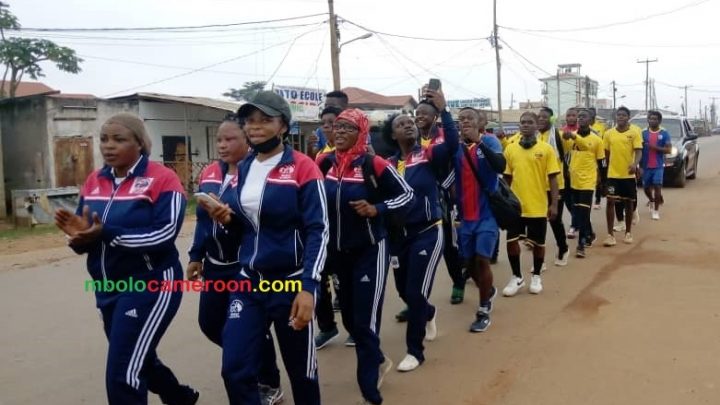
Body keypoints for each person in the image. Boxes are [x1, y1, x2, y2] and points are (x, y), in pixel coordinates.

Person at [54, 113, 198, 405]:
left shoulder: (162, 179)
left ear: (140, 144)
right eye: (104, 139)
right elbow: (87, 233)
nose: (109, 146)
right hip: (107, 289)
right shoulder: (95, 180)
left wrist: (106, 233)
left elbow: (164, 235)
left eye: (119, 139)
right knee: (137, 357)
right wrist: (79, 239)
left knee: (123, 371)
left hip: (152, 284)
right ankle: (178, 396)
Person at [203, 91, 328, 405]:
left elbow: (319, 229)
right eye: (250, 120)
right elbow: (245, 228)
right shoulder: (244, 168)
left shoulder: (302, 168)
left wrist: (309, 288)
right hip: (249, 282)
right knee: (235, 369)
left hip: (290, 282)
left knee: (302, 373)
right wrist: (226, 220)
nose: (255, 127)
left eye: (265, 120)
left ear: (283, 125)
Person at [319, 108, 414, 404]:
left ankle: (370, 390)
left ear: (361, 133)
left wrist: (378, 209)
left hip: (370, 250)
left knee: (364, 321)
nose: (340, 133)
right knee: (348, 318)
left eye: (348, 128)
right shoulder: (324, 163)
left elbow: (407, 194)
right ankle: (379, 358)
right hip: (337, 253)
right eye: (337, 128)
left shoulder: (375, 164)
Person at [187, 114, 284, 404]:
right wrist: (196, 256)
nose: (222, 145)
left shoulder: (255, 173)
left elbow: (263, 224)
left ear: (247, 141)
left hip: (245, 268)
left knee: (241, 329)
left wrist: (232, 219)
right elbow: (203, 222)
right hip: (215, 267)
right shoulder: (210, 174)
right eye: (219, 139)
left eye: (230, 139)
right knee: (210, 324)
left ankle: (268, 382)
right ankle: (253, 352)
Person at [382, 87, 458, 372]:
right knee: (404, 290)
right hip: (398, 237)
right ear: (393, 135)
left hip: (428, 230)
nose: (408, 125)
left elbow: (451, 145)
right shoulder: (388, 165)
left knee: (414, 291)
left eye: (411, 123)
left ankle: (415, 351)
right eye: (401, 124)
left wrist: (445, 112)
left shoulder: (428, 155)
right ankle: (428, 312)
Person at [453, 107, 505, 332]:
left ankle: (483, 309)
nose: (465, 122)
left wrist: (479, 141)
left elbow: (500, 166)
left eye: (469, 118)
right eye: (461, 119)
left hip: (487, 215)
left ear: (479, 122)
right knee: (468, 264)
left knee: (483, 261)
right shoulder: (455, 148)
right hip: (465, 217)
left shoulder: (490, 142)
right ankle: (488, 288)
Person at [412, 98, 466, 306]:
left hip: (443, 201)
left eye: (425, 113)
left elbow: (455, 161)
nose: (420, 116)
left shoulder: (444, 137)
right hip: (417, 203)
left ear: (435, 117)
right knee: (415, 251)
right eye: (417, 113)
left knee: (449, 248)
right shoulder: (412, 139)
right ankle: (414, 298)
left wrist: (445, 190)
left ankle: (458, 283)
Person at [503, 112, 560, 296]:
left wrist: (554, 204)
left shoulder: (546, 149)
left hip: (537, 205)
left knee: (538, 244)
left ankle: (536, 276)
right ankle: (517, 277)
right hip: (515, 207)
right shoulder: (510, 149)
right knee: (512, 242)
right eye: (523, 122)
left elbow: (553, 179)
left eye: (530, 122)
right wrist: (504, 201)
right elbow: (507, 178)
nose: (525, 125)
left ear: (537, 126)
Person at [312, 105, 349, 350]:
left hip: (346, 233)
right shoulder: (320, 157)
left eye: (332, 122)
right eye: (324, 123)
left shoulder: (356, 154)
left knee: (343, 285)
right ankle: (327, 327)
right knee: (317, 283)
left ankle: (355, 329)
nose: (327, 127)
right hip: (321, 231)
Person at [562, 109, 606, 258]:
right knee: (580, 213)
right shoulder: (569, 137)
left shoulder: (596, 140)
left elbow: (602, 163)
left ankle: (581, 245)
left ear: (591, 119)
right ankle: (590, 233)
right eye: (579, 116)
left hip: (588, 181)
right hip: (573, 180)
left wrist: (603, 183)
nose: (580, 119)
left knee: (583, 212)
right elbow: (566, 156)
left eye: (584, 116)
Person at [603, 106, 643, 246]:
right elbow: (606, 154)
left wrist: (635, 164)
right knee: (610, 202)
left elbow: (638, 151)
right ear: (616, 117)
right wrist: (606, 171)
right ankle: (610, 235)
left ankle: (628, 233)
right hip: (613, 176)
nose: (620, 117)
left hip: (628, 176)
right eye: (618, 115)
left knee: (628, 202)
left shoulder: (634, 133)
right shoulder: (608, 134)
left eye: (623, 115)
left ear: (628, 117)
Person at [538, 107, 569, 266]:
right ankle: (539, 261)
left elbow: (577, 143)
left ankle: (563, 248)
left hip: (557, 186)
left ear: (551, 120)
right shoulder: (533, 137)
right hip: (538, 187)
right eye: (539, 117)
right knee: (539, 222)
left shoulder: (559, 136)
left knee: (554, 220)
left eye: (545, 117)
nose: (541, 119)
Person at [641, 110, 671, 220]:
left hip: (658, 166)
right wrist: (639, 166)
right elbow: (638, 149)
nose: (652, 121)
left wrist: (655, 147)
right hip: (645, 166)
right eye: (651, 119)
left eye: (655, 119)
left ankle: (656, 211)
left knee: (658, 187)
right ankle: (652, 200)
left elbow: (668, 149)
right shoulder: (643, 133)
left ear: (659, 121)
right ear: (648, 120)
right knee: (646, 188)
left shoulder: (664, 133)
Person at [306, 92, 348, 160]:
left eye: (332, 106)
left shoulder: (355, 129)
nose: (327, 108)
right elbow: (314, 157)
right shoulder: (320, 131)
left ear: (345, 107)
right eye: (326, 105)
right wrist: (310, 148)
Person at [589, 107, 607, 210]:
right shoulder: (581, 126)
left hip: (599, 154)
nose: (591, 115)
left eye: (592, 114)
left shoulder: (601, 126)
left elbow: (602, 139)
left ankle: (597, 199)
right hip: (588, 155)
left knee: (599, 178)